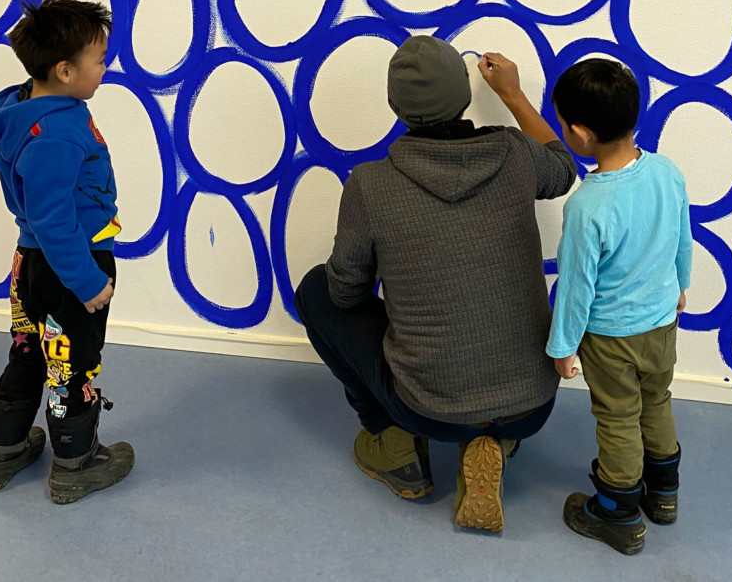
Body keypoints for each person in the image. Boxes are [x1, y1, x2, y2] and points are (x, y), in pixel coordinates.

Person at [294, 36, 576, 532]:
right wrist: (511, 95)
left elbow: (344, 296)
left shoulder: (371, 183)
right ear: (466, 96)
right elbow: (564, 167)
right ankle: (494, 439)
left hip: (432, 410)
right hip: (534, 403)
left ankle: (394, 444)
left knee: (317, 290)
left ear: (394, 107)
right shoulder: (515, 155)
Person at [0, 0, 134, 504]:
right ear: (64, 70)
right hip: (70, 265)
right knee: (72, 363)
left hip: (30, 264)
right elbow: (52, 218)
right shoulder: (57, 132)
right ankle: (75, 462)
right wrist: (87, 281)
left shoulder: (26, 108)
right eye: (99, 61)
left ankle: (4, 448)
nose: (105, 69)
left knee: (27, 352)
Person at [547, 57, 691, 555]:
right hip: (662, 323)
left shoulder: (587, 205)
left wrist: (563, 346)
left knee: (617, 417)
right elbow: (681, 237)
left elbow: (576, 288)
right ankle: (665, 494)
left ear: (580, 134)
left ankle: (618, 511)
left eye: (561, 122)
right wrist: (681, 284)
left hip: (611, 338)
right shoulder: (667, 172)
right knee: (657, 400)